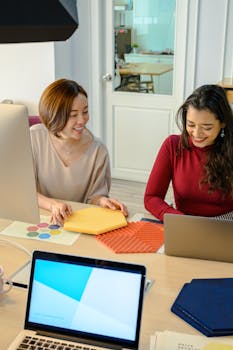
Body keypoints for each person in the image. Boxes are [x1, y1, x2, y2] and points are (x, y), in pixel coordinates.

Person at [30, 78, 128, 224]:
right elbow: (24, 190)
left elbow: (94, 197)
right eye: (73, 115)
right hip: (39, 219)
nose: (82, 120)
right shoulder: (34, 138)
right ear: (54, 114)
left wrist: (103, 201)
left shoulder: (98, 151)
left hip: (76, 223)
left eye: (85, 112)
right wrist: (53, 205)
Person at [144, 84, 233, 222]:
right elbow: (151, 198)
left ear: (223, 123)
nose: (197, 134)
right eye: (191, 125)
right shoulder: (172, 145)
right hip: (183, 223)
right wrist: (179, 219)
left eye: (207, 127)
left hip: (226, 226)